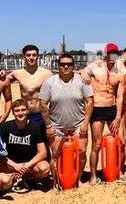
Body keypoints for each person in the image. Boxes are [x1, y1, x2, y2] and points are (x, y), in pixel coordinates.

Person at [39, 53, 94, 188]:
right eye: (62, 64)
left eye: (69, 64)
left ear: (73, 66)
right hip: (57, 126)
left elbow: (90, 102)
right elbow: (43, 104)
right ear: (58, 66)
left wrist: (85, 124)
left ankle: (78, 179)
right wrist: (48, 126)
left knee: (81, 152)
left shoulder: (82, 81)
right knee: (55, 155)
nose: (65, 67)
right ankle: (55, 182)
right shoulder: (49, 82)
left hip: (78, 125)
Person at [81, 43, 125, 184]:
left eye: (115, 53)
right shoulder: (95, 67)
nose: (111, 56)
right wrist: (83, 74)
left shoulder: (119, 73)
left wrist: (118, 117)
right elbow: (82, 72)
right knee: (97, 145)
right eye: (109, 53)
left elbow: (120, 97)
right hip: (97, 108)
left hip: (112, 108)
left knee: (122, 141)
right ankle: (93, 176)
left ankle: (117, 171)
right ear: (105, 54)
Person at [0, 99, 50, 188]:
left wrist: (26, 166)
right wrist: (15, 166)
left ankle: (29, 177)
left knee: (44, 168)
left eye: (23, 110)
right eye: (17, 111)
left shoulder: (35, 126)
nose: (20, 113)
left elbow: (43, 153)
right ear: (12, 113)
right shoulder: (4, 127)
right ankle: (11, 179)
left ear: (27, 111)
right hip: (12, 164)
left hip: (30, 164)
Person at [6, 45, 53, 130]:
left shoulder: (47, 73)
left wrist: (81, 72)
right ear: (24, 57)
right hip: (24, 114)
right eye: (28, 55)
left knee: (42, 142)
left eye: (34, 55)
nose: (31, 58)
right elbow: (1, 82)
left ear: (38, 56)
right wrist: (0, 71)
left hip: (41, 114)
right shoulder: (17, 73)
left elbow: (64, 76)